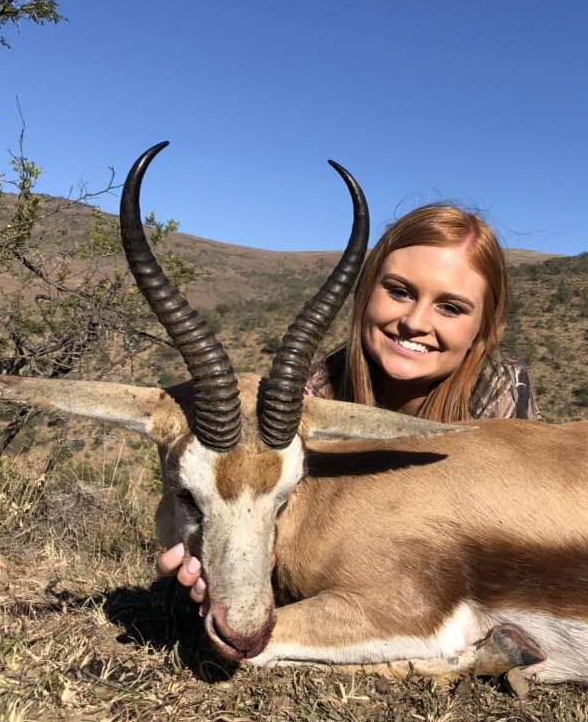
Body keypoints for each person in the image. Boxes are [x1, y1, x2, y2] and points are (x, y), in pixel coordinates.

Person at [159, 203, 540, 603]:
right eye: (398, 291)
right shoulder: (310, 391)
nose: (416, 322)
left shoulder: (501, 389)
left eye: (450, 307)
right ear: (365, 293)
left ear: (485, 325)